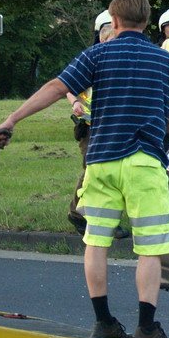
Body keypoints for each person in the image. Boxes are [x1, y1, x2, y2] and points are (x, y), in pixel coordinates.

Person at [0, 0, 169, 338]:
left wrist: (12, 119)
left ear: (114, 22)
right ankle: (147, 331)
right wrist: (148, 127)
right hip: (144, 163)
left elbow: (58, 88)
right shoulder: (164, 62)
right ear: (147, 22)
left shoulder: (96, 54)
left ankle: (104, 324)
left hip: (100, 162)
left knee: (96, 243)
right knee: (150, 248)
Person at [65, 17, 127, 240]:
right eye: (109, 37)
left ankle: (87, 216)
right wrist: (75, 103)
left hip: (110, 126)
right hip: (91, 127)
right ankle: (85, 216)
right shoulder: (91, 60)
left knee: (103, 173)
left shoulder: (117, 61)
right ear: (101, 37)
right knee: (94, 172)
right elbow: (67, 86)